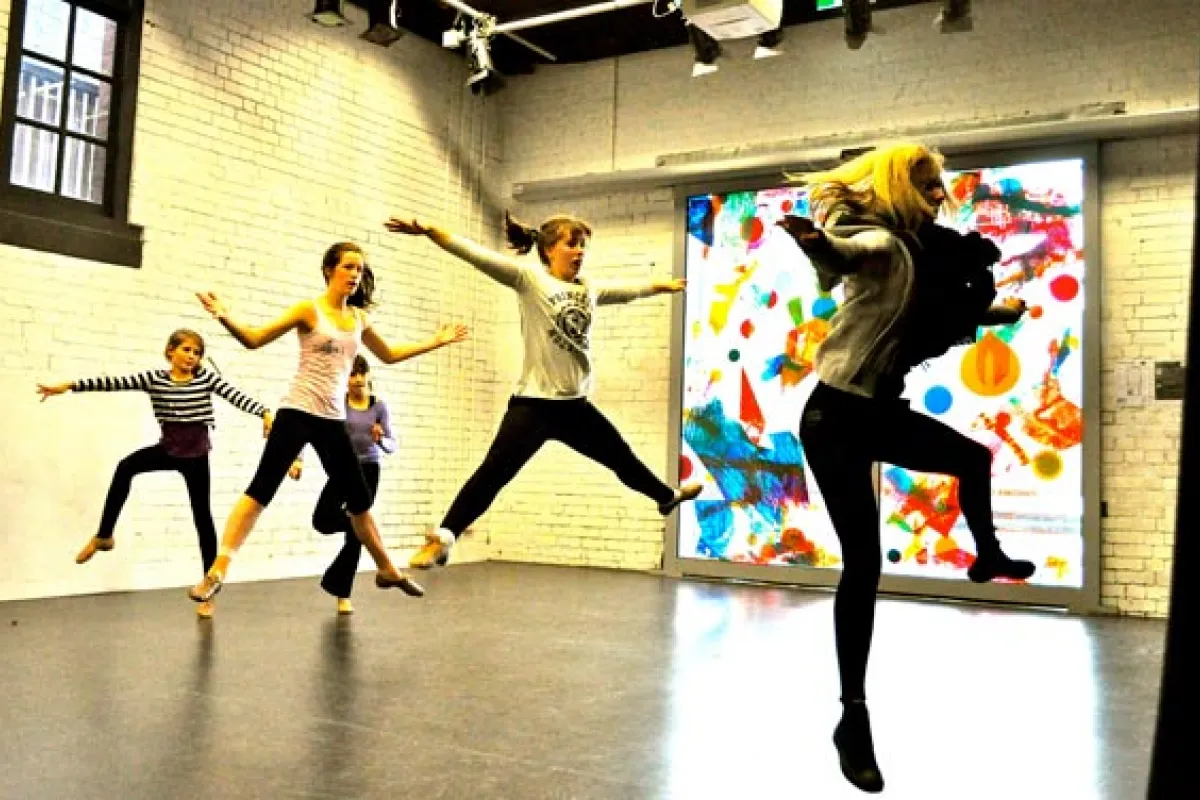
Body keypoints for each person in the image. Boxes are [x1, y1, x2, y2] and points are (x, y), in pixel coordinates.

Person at [776, 143, 1036, 794]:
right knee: (864, 564)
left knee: (972, 459)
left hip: (877, 412)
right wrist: (814, 243)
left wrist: (1001, 312)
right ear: (895, 186)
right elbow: (844, 255)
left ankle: (989, 555)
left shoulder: (922, 255)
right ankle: (852, 720)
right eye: (925, 184)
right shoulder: (885, 247)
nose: (938, 195)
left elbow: (937, 311)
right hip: (834, 417)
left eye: (939, 186)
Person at [384, 211, 702, 569]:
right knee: (493, 474)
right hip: (532, 407)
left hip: (575, 408)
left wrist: (661, 286)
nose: (579, 251)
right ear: (550, 249)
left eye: (583, 245)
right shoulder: (530, 280)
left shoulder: (590, 288)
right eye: (572, 244)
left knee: (621, 457)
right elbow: (475, 254)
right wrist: (429, 230)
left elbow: (628, 291)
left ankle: (666, 497)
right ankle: (442, 539)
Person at [186, 241, 468, 604]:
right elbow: (255, 339)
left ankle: (387, 569)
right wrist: (223, 314)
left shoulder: (359, 319)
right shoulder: (309, 310)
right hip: (297, 412)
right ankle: (217, 570)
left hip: (332, 420)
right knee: (260, 491)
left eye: (360, 269)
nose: (355, 275)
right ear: (329, 270)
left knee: (360, 503)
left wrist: (435, 341)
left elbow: (390, 355)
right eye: (349, 267)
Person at [37, 329, 272, 619]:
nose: (192, 357)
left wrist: (264, 412)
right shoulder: (154, 380)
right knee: (125, 467)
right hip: (168, 449)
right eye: (186, 350)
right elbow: (112, 383)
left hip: (196, 457)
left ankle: (209, 590)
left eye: (197, 353)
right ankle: (104, 536)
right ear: (170, 351)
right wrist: (69, 386)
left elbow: (235, 396)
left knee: (202, 518)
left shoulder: (205, 379)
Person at [290, 355, 396, 615]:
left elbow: (392, 445)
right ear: (344, 378)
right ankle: (362, 527)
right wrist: (298, 459)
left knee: (353, 541)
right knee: (323, 520)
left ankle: (342, 594)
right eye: (352, 374)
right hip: (343, 467)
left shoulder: (379, 407)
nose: (357, 379)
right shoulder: (337, 404)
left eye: (361, 373)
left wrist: (380, 439)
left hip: (369, 470)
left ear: (368, 376)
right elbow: (311, 431)